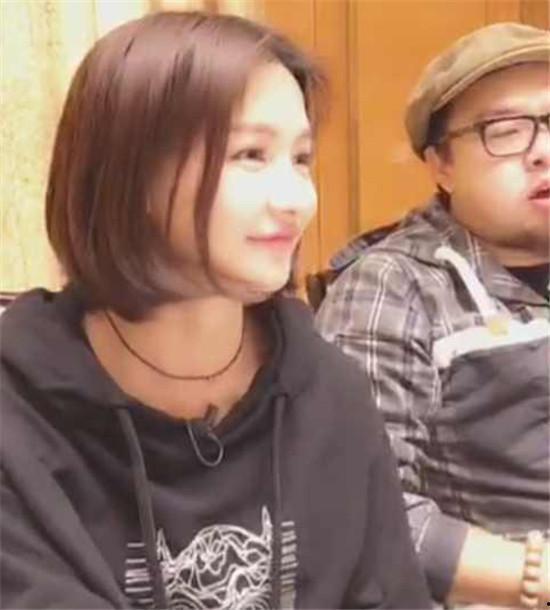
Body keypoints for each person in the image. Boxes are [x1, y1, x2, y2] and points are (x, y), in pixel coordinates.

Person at [0, 11, 430, 610]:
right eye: (251, 154)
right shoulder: (18, 408)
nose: (297, 200)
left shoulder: (330, 394)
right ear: (129, 171)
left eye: (301, 159)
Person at [316, 22, 550, 610]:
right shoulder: (394, 286)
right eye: (505, 131)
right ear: (441, 164)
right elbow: (353, 501)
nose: (542, 150)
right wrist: (531, 576)